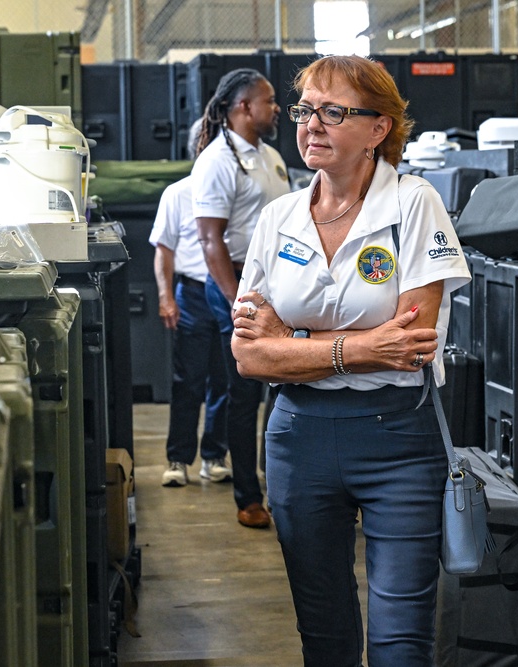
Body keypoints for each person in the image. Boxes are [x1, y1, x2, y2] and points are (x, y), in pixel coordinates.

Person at [229, 55, 471, 666]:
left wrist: (292, 338)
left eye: (333, 112)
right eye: (306, 110)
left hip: (399, 441)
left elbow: (410, 347)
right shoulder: (278, 217)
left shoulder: (415, 206)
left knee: (398, 639)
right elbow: (248, 356)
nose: (312, 124)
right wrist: (359, 346)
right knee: (325, 634)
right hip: (298, 438)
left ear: (379, 127)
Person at [192, 68, 291, 528]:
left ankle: (284, 484)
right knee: (244, 390)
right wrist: (237, 302)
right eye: (268, 101)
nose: (276, 109)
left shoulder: (270, 156)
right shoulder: (216, 161)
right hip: (234, 284)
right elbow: (211, 240)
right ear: (243, 108)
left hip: (275, 284)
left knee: (286, 381)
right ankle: (247, 496)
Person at [150, 122, 232, 487]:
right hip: (193, 295)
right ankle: (178, 460)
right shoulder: (178, 193)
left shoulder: (237, 193)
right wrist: (166, 297)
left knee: (226, 380)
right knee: (188, 381)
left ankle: (213, 457)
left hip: (229, 293)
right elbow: (163, 250)